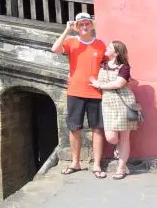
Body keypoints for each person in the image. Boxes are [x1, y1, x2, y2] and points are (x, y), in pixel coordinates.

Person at [51, 12, 108, 179]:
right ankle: (75, 162)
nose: (84, 27)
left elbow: (108, 63)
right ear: (76, 26)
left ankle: (96, 164)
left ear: (91, 25)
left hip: (95, 92)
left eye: (87, 24)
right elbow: (54, 49)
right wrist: (66, 30)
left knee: (97, 129)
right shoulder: (71, 42)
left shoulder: (100, 45)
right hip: (75, 91)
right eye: (81, 24)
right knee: (74, 128)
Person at [89, 41, 138, 180]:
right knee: (111, 137)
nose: (106, 48)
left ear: (116, 53)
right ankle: (118, 148)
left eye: (109, 47)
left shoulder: (124, 67)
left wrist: (99, 85)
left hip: (124, 103)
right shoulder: (103, 65)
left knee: (125, 137)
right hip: (108, 104)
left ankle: (121, 168)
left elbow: (119, 83)